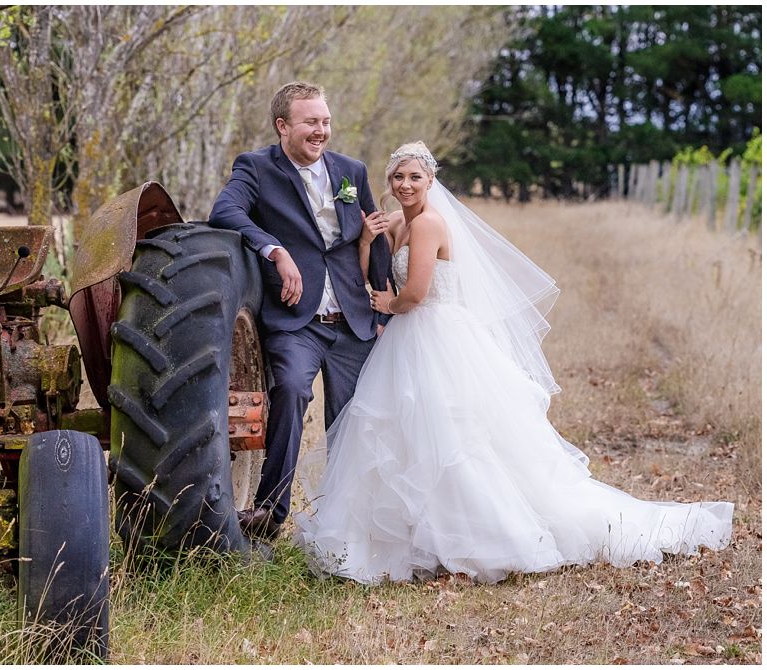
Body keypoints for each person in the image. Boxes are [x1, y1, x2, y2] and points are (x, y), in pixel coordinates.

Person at [293, 141, 734, 584]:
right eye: (398, 177)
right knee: (408, 432)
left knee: (452, 437)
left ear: (431, 181)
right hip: (408, 338)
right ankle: (414, 535)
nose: (405, 185)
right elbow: (367, 272)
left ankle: (476, 534)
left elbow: (415, 294)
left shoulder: (428, 224)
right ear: (388, 182)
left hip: (436, 334)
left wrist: (388, 306)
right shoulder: (395, 224)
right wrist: (369, 240)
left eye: (415, 177)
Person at [209, 81, 393, 540]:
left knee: (355, 416)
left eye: (326, 122)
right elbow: (225, 212)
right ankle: (270, 513)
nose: (321, 131)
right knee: (289, 391)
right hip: (297, 322)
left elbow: (375, 239)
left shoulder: (351, 170)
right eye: (311, 122)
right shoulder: (256, 167)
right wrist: (274, 250)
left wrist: (385, 312)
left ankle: (354, 523)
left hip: (354, 319)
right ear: (283, 125)